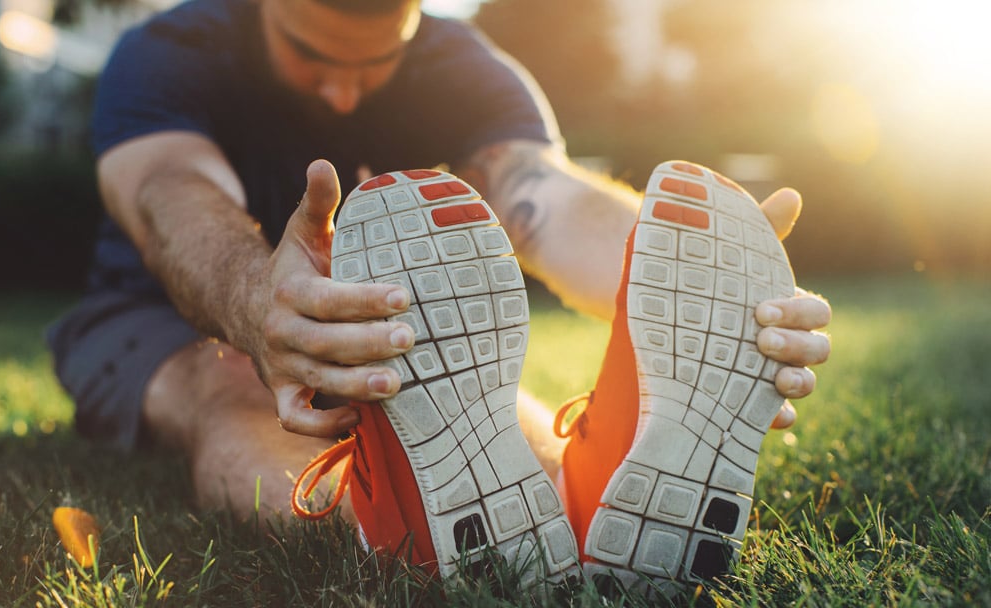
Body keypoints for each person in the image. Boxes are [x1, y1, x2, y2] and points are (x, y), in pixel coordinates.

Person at [47, 0, 831, 589]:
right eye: (312, 53)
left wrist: (685, 271)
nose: (345, 94)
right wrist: (259, 304)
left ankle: (580, 507)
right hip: (157, 318)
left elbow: (544, 198)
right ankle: (392, 527)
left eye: (374, 63)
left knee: (479, 415)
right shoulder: (170, 50)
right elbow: (166, 190)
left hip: (393, 329)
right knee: (234, 384)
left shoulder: (463, 65)